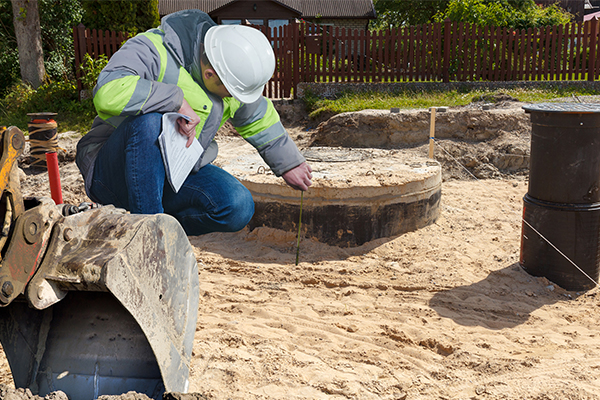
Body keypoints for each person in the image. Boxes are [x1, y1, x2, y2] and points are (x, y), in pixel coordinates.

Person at [76, 9, 312, 236]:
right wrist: (174, 100)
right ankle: (151, 237)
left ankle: (164, 229)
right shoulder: (153, 49)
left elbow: (258, 116)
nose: (233, 98)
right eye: (231, 92)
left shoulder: (228, 74)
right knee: (150, 123)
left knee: (237, 206)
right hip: (111, 174)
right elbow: (108, 92)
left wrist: (290, 163)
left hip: (174, 174)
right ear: (210, 74)